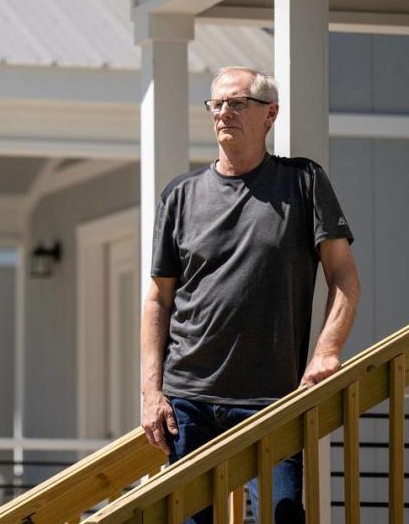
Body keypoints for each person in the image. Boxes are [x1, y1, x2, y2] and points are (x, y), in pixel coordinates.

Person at [140, 66, 360, 523]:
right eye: (216, 104)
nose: (224, 113)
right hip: (188, 399)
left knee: (282, 514)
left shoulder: (302, 183)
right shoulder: (179, 196)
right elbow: (158, 300)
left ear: (270, 114)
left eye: (237, 103)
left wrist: (327, 350)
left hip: (271, 398)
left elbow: (342, 276)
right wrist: (150, 392)